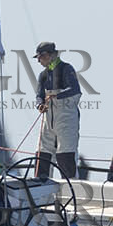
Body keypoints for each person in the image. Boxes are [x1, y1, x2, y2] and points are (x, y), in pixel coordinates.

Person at [33, 42, 82, 181]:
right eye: (38, 57)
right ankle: (40, 184)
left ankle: (71, 184)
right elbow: (39, 95)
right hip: (48, 119)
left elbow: (75, 90)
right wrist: (40, 105)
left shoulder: (66, 69)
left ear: (52, 55)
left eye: (41, 56)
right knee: (43, 152)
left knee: (65, 153)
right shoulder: (43, 75)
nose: (39, 60)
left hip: (66, 118)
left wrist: (57, 96)